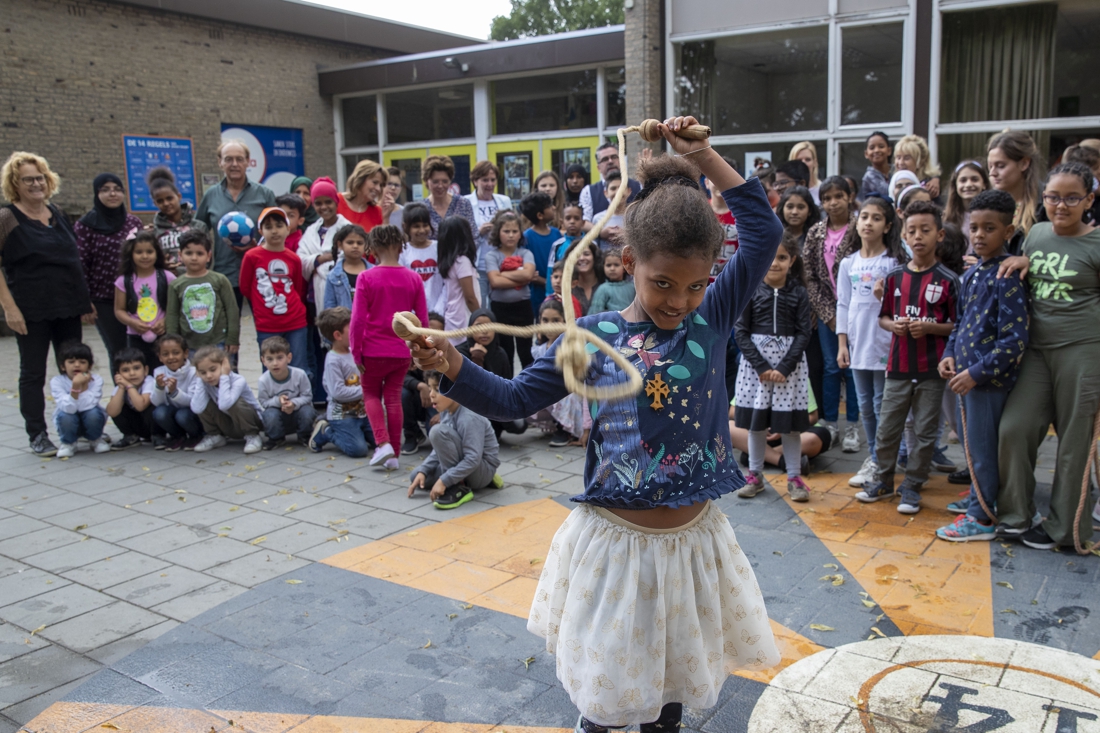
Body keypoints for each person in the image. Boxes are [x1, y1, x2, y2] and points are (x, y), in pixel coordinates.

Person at [406, 117, 782, 733]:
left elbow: (762, 228)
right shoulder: (596, 335)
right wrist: (449, 362)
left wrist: (705, 156)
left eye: (694, 285)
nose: (677, 301)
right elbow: (513, 397)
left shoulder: (711, 319)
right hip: (617, 549)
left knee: (670, 690)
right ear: (628, 260)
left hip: (691, 546)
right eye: (662, 282)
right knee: (607, 698)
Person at [995, 162, 1100, 551]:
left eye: (1072, 198)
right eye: (1054, 196)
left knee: (1074, 443)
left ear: (1089, 199)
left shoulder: (1096, 243)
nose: (1061, 205)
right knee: (1015, 428)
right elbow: (1025, 273)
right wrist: (1025, 261)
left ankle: (1066, 530)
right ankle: (1015, 515)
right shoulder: (1036, 234)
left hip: (1084, 352)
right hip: (1036, 351)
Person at [934, 190, 1028, 542]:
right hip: (964, 377)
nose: (979, 235)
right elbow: (960, 322)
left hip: (987, 383)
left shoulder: (1007, 276)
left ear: (1008, 231)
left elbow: (1014, 340)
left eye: (990, 228)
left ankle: (982, 517)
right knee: (973, 446)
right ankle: (979, 497)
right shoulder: (973, 273)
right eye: (974, 227)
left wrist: (976, 373)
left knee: (984, 448)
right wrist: (949, 354)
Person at [856, 201, 958, 514]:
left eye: (925, 230)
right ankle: (884, 480)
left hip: (931, 369)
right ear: (903, 234)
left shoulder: (948, 280)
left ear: (939, 235)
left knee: (926, 433)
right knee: (888, 428)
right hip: (897, 366)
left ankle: (913, 485)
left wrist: (930, 327)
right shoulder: (895, 277)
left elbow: (955, 325)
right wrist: (894, 325)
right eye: (911, 230)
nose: (918, 237)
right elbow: (883, 317)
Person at [1, 152, 96, 455]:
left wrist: (85, 301)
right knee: (33, 373)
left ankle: (79, 427)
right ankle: (37, 434)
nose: (35, 183)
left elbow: (72, 261)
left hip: (67, 305)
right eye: (27, 179)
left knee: (75, 367)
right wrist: (9, 308)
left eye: (39, 177)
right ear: (15, 183)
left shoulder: (56, 212)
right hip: (31, 310)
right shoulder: (7, 218)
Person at [733, 236, 813, 501]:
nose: (775, 263)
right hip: (756, 372)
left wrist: (785, 367)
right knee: (756, 425)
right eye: (770, 256)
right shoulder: (751, 290)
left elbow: (804, 333)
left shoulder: (799, 293)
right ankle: (754, 475)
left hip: (789, 373)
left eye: (782, 257)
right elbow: (741, 332)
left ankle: (794, 476)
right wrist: (762, 366)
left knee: (789, 426)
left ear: (792, 261)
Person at [836, 195, 907, 488]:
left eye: (876, 218)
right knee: (865, 404)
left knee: (882, 404)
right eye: (864, 216)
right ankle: (876, 457)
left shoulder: (893, 263)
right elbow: (843, 304)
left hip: (884, 343)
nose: (868, 223)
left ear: (888, 225)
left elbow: (900, 304)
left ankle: (883, 458)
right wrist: (842, 344)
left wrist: (883, 297)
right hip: (858, 343)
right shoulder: (848, 263)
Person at [349, 225, 428, 469]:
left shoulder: (366, 277)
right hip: (401, 350)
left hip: (372, 349)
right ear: (401, 245)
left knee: (371, 394)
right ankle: (393, 454)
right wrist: (419, 349)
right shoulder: (413, 278)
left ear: (372, 248)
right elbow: (422, 321)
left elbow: (358, 319)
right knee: (393, 399)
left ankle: (382, 443)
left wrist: (355, 349)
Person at [803, 176, 861, 451]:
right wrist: (828, 313)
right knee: (830, 367)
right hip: (828, 313)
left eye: (839, 196)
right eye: (827, 198)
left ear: (849, 197)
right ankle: (830, 424)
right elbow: (810, 276)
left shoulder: (861, 227)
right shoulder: (816, 232)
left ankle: (852, 426)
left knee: (851, 370)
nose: (833, 202)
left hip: (858, 310)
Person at [194, 140, 276, 307]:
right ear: (220, 162)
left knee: (266, 328)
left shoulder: (264, 194)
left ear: (247, 162)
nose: (234, 164)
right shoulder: (211, 195)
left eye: (239, 159)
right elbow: (198, 231)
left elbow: (278, 231)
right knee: (228, 328)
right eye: (228, 159)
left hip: (260, 272)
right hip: (225, 274)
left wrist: (258, 247)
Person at [408, 371, 504, 509]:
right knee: (416, 476)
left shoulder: (469, 416)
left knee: (437, 431)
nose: (431, 394)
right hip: (465, 463)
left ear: (456, 390)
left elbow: (473, 458)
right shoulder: (446, 410)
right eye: (430, 389)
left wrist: (444, 481)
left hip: (480, 470)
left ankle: (457, 487)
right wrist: (423, 470)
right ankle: (455, 479)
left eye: (437, 389)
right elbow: (440, 449)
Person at [75, 172, 143, 363]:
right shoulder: (85, 226)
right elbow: (80, 265)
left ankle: (141, 393)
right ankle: (123, 392)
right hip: (104, 299)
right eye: (105, 190)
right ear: (96, 194)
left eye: (117, 190)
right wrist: (85, 301)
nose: (112, 194)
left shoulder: (133, 223)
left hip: (136, 295)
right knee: (118, 351)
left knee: (139, 348)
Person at [239, 208, 310, 375]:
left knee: (299, 368)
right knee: (272, 369)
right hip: (267, 324)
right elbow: (245, 287)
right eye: (268, 227)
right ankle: (273, 401)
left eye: (279, 225)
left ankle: (301, 401)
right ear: (260, 231)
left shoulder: (293, 258)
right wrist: (262, 303)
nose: (274, 231)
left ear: (287, 228)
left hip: (295, 322)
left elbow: (298, 288)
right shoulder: (252, 256)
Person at [309, 306, 376, 458]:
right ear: (338, 335)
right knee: (358, 450)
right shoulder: (333, 360)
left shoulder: (356, 350)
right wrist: (366, 391)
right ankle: (326, 432)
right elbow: (338, 393)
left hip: (363, 412)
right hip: (343, 415)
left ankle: (357, 433)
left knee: (382, 442)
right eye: (352, 328)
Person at [165, 230, 240, 357]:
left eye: (200, 253)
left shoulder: (220, 280)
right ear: (180, 255)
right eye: (188, 253)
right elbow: (172, 315)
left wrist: (232, 338)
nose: (194, 258)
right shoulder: (175, 285)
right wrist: (173, 343)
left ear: (208, 256)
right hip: (189, 345)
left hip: (219, 342)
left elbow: (232, 310)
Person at [528, 299, 590, 447]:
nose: (550, 326)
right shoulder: (540, 350)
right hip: (552, 397)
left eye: (556, 320)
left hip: (577, 400)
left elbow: (587, 386)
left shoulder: (573, 348)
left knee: (566, 391)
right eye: (545, 320)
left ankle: (567, 430)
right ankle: (556, 423)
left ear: (565, 321)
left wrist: (588, 427)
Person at [456, 308, 525, 438]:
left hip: (493, 406)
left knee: (520, 424)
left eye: (490, 326)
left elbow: (507, 388)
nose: (484, 331)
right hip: (467, 408)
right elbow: (470, 389)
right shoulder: (461, 353)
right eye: (478, 326)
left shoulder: (500, 354)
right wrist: (477, 359)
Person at [113, 230, 175, 369]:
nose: (145, 256)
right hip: (136, 336)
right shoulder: (124, 280)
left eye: (149, 251)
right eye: (139, 252)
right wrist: (132, 322)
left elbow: (176, 306)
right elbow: (119, 310)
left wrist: (165, 321)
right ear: (131, 254)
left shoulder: (167, 277)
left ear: (157, 253)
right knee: (139, 370)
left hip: (163, 336)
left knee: (164, 370)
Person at [189, 345, 263, 454]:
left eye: (213, 370)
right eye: (203, 372)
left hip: (250, 423)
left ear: (224, 365)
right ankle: (215, 436)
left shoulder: (238, 380)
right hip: (228, 426)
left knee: (235, 403)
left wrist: (224, 376)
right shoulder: (203, 382)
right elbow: (197, 409)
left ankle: (252, 436)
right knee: (201, 400)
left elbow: (225, 405)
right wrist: (199, 380)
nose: (208, 376)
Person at [485, 210, 535, 370]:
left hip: (523, 307)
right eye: (506, 231)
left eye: (515, 231)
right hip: (500, 309)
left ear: (520, 234)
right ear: (498, 233)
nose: (511, 235)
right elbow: (494, 281)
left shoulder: (526, 253)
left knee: (526, 351)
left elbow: (528, 274)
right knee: (505, 352)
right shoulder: (491, 256)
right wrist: (519, 276)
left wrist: (503, 274)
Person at [987, 130, 1045, 256]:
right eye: (990, 166)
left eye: (1000, 166)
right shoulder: (990, 203)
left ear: (1024, 163)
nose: (992, 173)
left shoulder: (1048, 203)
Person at [298, 178, 351, 312]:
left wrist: (317, 264)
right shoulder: (311, 231)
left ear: (336, 202)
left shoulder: (348, 228)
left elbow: (349, 258)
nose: (324, 207)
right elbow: (300, 259)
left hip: (342, 292)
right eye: (318, 203)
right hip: (314, 295)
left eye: (328, 202)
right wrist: (321, 258)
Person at [465, 161, 513, 308]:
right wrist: (479, 232)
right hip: (479, 264)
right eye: (485, 180)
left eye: (493, 180)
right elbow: (462, 236)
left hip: (501, 263)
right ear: (475, 181)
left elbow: (512, 226)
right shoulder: (465, 202)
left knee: (503, 306)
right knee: (482, 306)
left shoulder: (504, 201)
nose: (489, 184)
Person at [51, 340, 110, 458]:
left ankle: (95, 439)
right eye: (71, 362)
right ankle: (68, 443)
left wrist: (84, 386)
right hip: (68, 420)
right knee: (65, 416)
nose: (77, 365)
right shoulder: (57, 382)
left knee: (93, 413)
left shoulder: (96, 380)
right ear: (63, 366)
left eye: (82, 362)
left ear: (90, 366)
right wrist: (76, 387)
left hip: (89, 420)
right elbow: (69, 409)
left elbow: (89, 405)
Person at [257, 335, 315, 449]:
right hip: (278, 415)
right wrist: (278, 401)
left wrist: (293, 403)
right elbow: (263, 402)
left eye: (279, 358)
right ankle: (276, 438)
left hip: (298, 412)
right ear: (263, 360)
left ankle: (304, 435)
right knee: (268, 414)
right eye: (270, 359)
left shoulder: (300, 374)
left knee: (308, 411)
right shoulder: (263, 380)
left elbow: (307, 396)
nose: (275, 363)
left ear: (289, 358)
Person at [150, 334, 203, 451]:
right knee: (159, 412)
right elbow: (157, 402)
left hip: (191, 413)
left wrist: (174, 392)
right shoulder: (159, 372)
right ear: (160, 357)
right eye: (165, 354)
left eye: (175, 352)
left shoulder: (194, 372)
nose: (171, 357)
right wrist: (159, 387)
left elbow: (192, 402)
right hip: (172, 411)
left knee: (182, 415)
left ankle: (197, 435)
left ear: (185, 353)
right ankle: (178, 436)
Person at [149, 167, 207, 272]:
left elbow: (208, 259)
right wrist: (161, 265)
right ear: (155, 203)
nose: (166, 203)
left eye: (169, 198)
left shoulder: (199, 226)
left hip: (195, 282)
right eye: (160, 201)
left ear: (178, 196)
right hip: (167, 284)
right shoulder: (153, 231)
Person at [435, 216, 481, 345]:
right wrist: (480, 316)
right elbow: (470, 297)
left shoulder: (451, 260)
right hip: (464, 317)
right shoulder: (462, 261)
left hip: (454, 315)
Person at [579, 141, 641, 226]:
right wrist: (601, 233)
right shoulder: (588, 192)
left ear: (620, 161)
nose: (610, 161)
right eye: (605, 159)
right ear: (598, 167)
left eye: (614, 157)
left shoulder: (638, 186)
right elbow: (583, 222)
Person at [106, 346, 154, 450]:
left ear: (145, 370)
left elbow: (141, 406)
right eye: (125, 370)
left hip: (152, 424)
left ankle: (158, 436)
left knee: (152, 407)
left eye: (136, 368)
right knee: (117, 404)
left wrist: (129, 386)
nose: (132, 373)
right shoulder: (120, 387)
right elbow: (112, 412)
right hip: (137, 424)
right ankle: (131, 436)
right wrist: (122, 388)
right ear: (118, 374)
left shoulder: (149, 382)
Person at [398, 203, 443, 310]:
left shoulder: (439, 248)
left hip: (439, 310)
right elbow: (402, 285)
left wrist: (439, 310)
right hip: (413, 312)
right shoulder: (402, 251)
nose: (422, 230)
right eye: (416, 226)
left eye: (425, 225)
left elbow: (446, 283)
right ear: (405, 227)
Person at [520, 191, 560, 308]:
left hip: (557, 291)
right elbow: (530, 272)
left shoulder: (556, 233)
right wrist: (547, 282)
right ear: (540, 215)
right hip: (537, 294)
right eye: (549, 206)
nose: (554, 207)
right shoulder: (527, 237)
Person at [421, 155, 476, 237]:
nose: (440, 186)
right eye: (435, 181)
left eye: (445, 181)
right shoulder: (422, 208)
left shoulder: (463, 204)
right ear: (426, 181)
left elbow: (474, 236)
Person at [323, 224, 371, 311]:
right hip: (343, 323)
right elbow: (329, 307)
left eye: (360, 243)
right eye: (350, 242)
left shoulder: (374, 273)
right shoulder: (333, 276)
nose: (355, 246)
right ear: (340, 245)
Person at [943, 161, 990, 248]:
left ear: (984, 184)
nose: (968, 184)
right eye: (963, 180)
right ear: (955, 185)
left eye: (974, 179)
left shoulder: (992, 215)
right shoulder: (946, 217)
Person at [337, 160, 385, 230]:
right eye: (375, 182)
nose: (378, 189)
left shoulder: (377, 212)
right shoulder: (336, 201)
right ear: (360, 179)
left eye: (381, 185)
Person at [565, 238, 604, 316]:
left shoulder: (606, 284)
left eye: (586, 254)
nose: (582, 258)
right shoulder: (566, 288)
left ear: (594, 257)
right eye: (577, 255)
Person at [589, 247, 634, 314]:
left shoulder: (632, 287)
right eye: (608, 265)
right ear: (603, 267)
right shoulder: (603, 289)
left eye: (616, 265)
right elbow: (595, 313)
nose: (612, 268)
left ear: (625, 267)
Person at [894, 134, 941, 199]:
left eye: (906, 158)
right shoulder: (893, 179)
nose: (900, 163)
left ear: (920, 161)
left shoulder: (930, 187)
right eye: (898, 157)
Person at [547, 203, 584, 271]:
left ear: (583, 223)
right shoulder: (557, 245)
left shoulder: (591, 244)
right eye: (568, 218)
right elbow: (551, 270)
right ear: (562, 223)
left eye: (576, 218)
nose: (572, 221)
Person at [862, 132, 893, 200]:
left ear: (889, 151)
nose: (876, 150)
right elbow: (887, 193)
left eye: (881, 146)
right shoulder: (868, 177)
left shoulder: (897, 170)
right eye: (872, 148)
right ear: (866, 154)